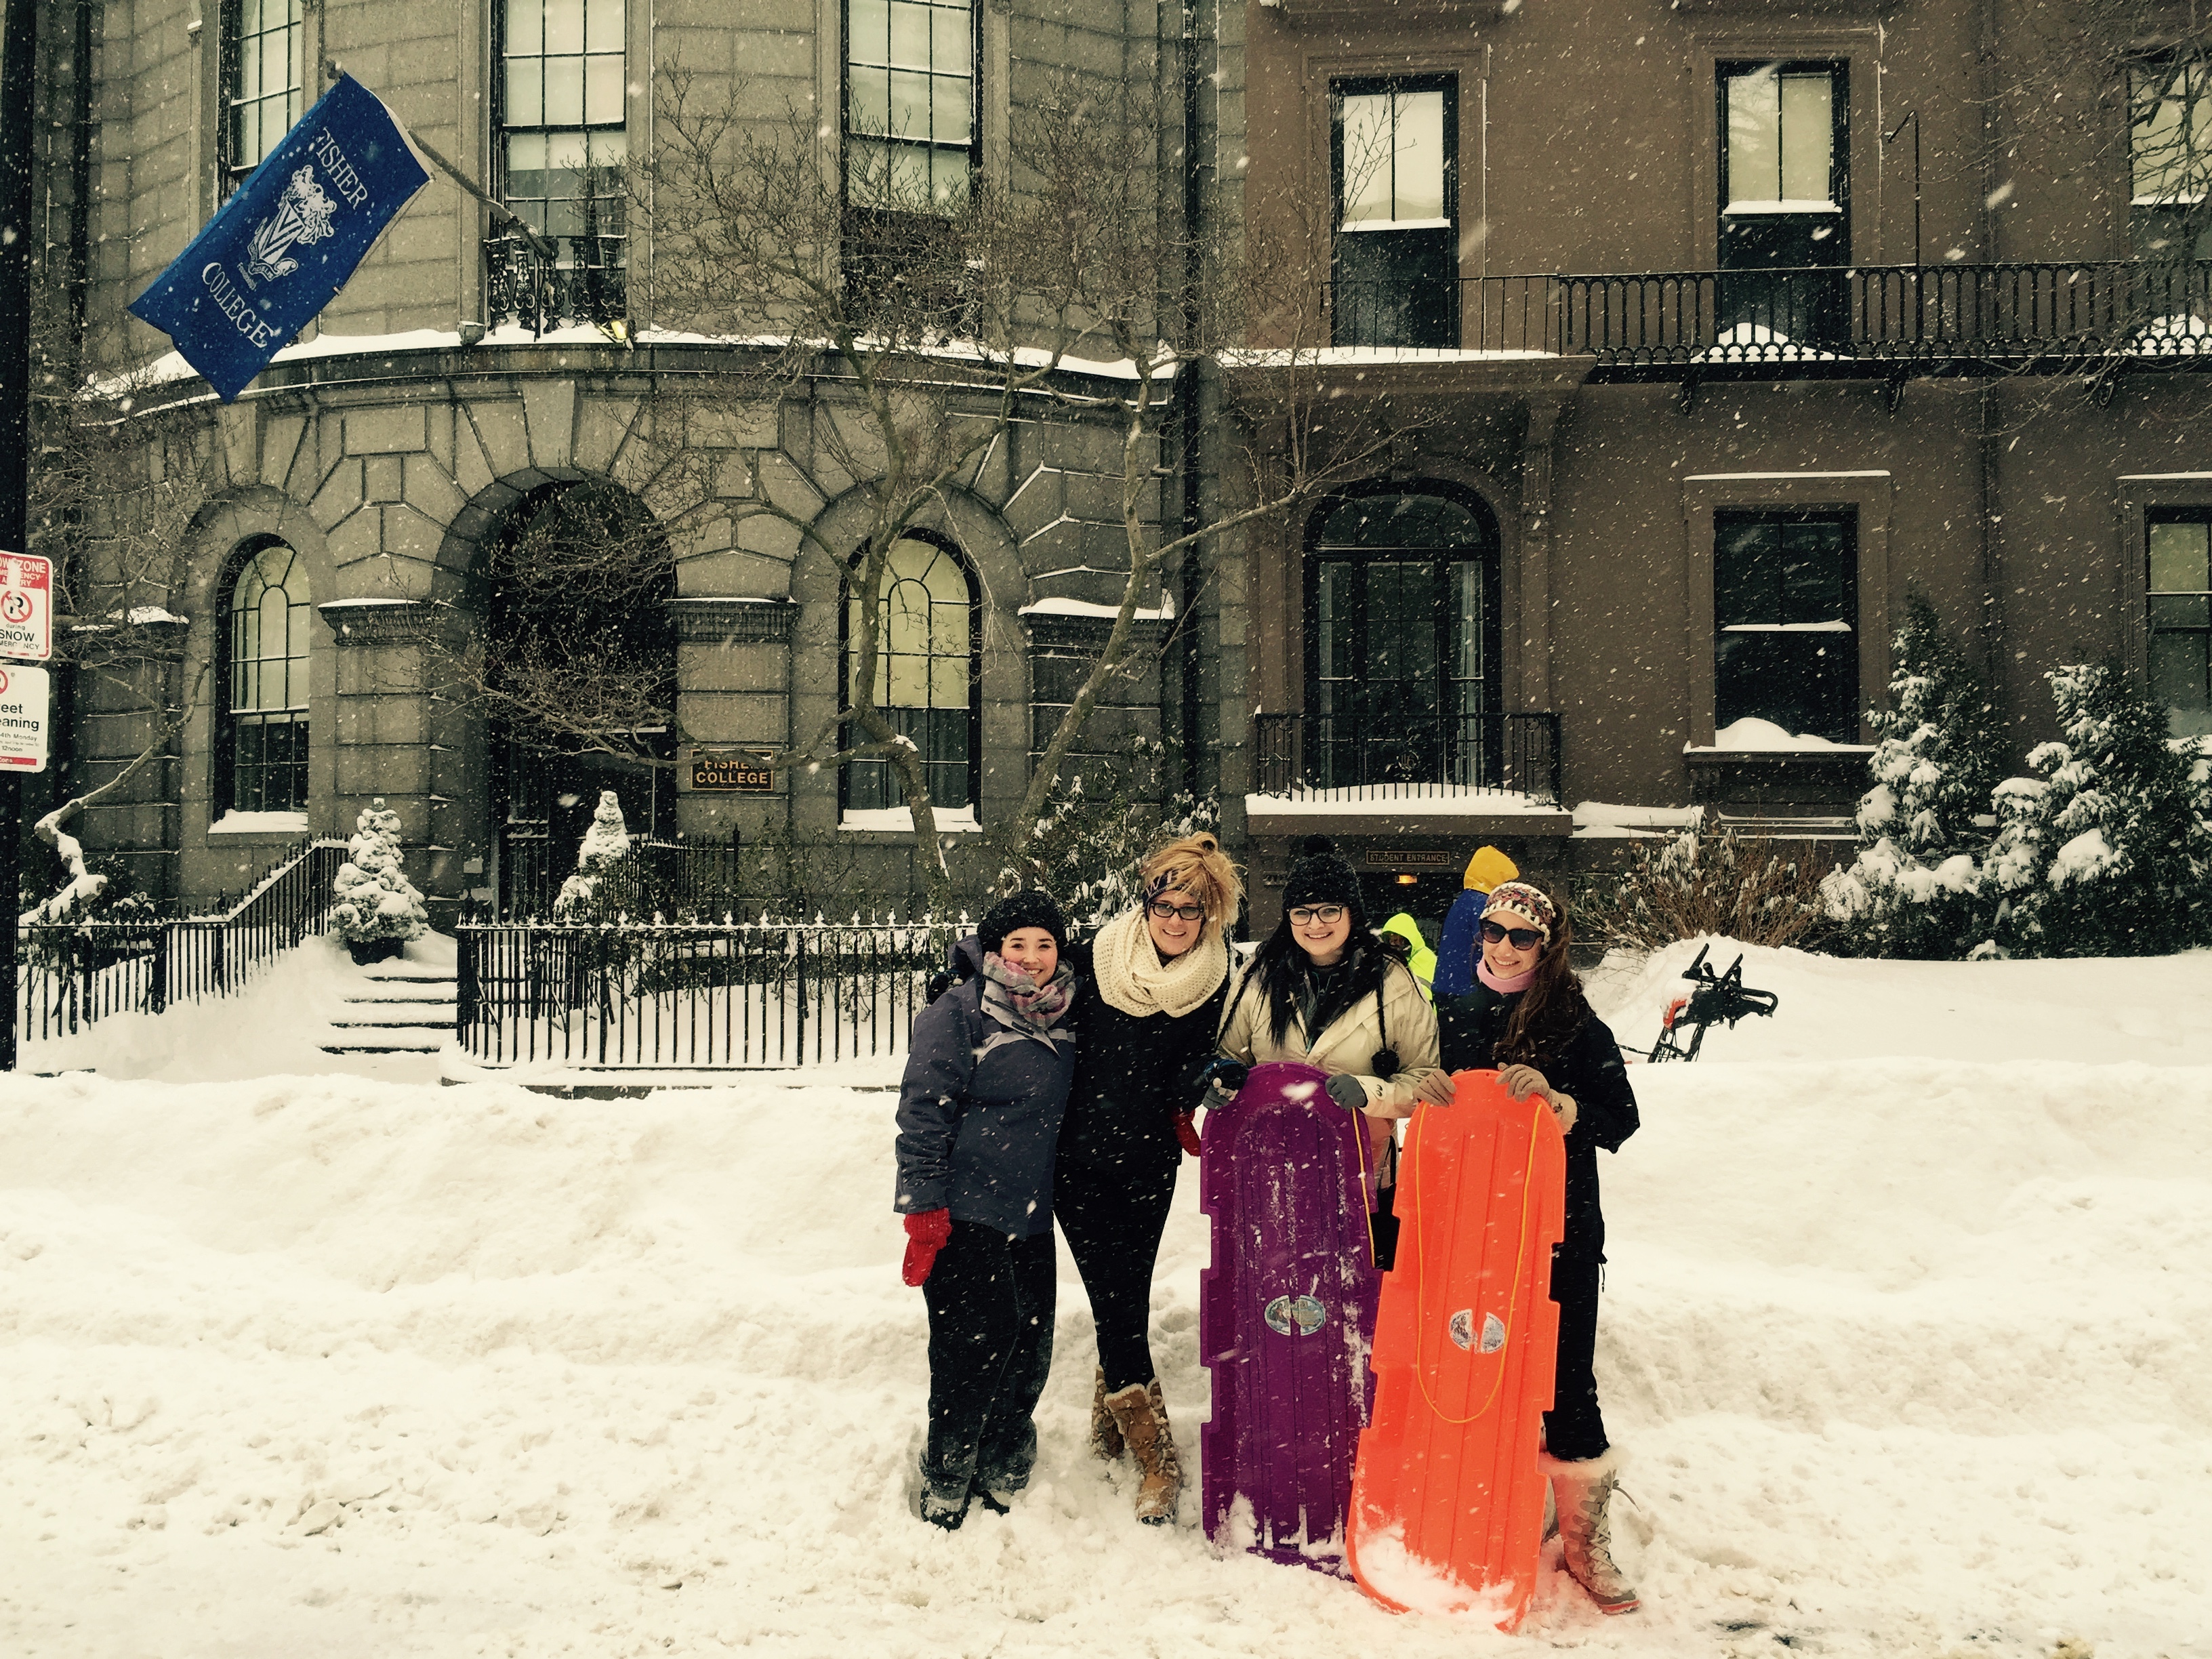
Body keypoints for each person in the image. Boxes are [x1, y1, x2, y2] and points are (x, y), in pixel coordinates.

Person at [1433, 878, 1642, 1616]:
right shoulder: (1452, 1014)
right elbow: (1432, 1109)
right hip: (1473, 1232)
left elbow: (1622, 1117)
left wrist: (1561, 1104)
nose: (1505, 947)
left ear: (1546, 947)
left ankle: (1585, 1542)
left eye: (1522, 936)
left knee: (1566, 1383)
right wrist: (1428, 1091)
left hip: (1560, 1233)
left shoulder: (1575, 1024)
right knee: (1473, 1374)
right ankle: (1479, 1514)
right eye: (1493, 932)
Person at [1057, 832, 1244, 1524]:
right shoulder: (1095, 958)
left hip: (1147, 1159)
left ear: (1209, 915)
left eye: (1190, 910)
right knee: (1113, 1295)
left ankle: (1110, 1422)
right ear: (1146, 903)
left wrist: (1209, 1077)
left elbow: (1190, 1067)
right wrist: (963, 978)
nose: (1174, 920)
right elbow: (1022, 974)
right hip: (1075, 1158)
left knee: (1126, 1292)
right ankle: (1157, 1457)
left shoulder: (1215, 979)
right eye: (1164, 905)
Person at [893, 890, 1078, 1531]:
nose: (1031, 957)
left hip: (1031, 1212)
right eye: (1016, 943)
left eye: (1045, 944)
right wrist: (924, 1206)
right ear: (993, 949)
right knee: (972, 1346)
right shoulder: (960, 1011)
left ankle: (1004, 1453)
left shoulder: (1066, 1012)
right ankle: (949, 1472)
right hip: (967, 1207)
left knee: (1030, 1341)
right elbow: (923, 1109)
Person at [1208, 838, 1449, 1216]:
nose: (1315, 924)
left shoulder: (1395, 983)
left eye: (1329, 910)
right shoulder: (1258, 977)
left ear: (1352, 912)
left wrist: (1370, 1092)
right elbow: (1229, 1056)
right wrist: (1223, 1077)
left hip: (1364, 1176)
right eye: (1301, 912)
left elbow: (1424, 1082)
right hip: (1272, 1174)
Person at [1432, 844, 1521, 998]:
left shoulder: (1466, 899)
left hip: (1448, 985)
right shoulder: (1483, 904)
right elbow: (1489, 945)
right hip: (1468, 990)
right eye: (1507, 881)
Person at [1378, 912, 1438, 1002]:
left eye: (1399, 939)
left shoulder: (1426, 958)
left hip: (1421, 1007)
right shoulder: (1388, 958)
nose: (1394, 943)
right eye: (1391, 939)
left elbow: (1422, 994)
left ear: (1407, 940)